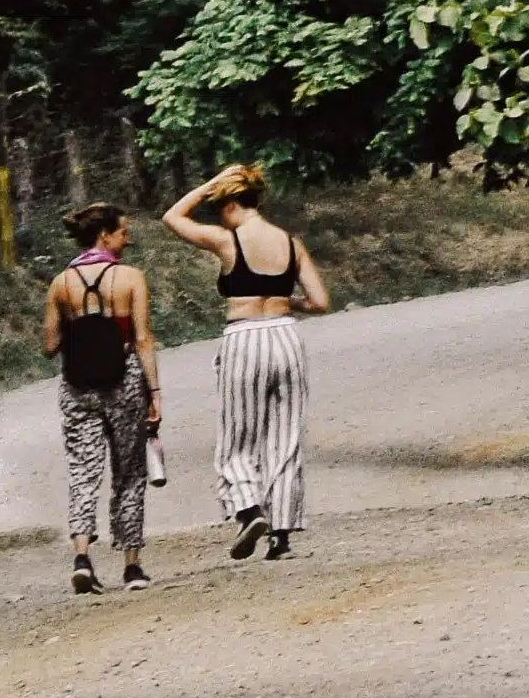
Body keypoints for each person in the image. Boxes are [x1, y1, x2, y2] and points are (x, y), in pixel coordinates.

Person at [158, 162, 333, 557]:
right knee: (284, 436)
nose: (221, 213)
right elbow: (320, 302)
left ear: (232, 202)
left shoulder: (227, 241)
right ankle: (282, 534)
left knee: (238, 435)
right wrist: (289, 301)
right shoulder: (291, 243)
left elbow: (172, 217)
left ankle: (248, 509)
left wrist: (208, 183)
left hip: (245, 338)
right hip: (286, 336)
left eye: (222, 205)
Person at [42, 202, 161, 592]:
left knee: (82, 471)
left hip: (77, 385)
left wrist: (80, 329)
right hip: (123, 379)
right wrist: (154, 391)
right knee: (129, 472)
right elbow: (142, 338)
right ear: (104, 235)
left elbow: (49, 344)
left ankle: (81, 557)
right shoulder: (130, 277)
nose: (127, 238)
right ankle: (131, 565)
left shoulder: (60, 283)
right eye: (123, 231)